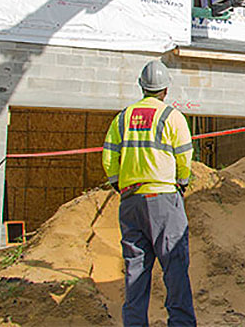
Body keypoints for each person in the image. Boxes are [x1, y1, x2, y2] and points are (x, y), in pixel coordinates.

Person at [102, 60, 196, 327]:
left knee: (135, 270)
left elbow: (109, 157)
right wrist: (182, 182)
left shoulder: (122, 118)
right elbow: (184, 157)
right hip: (164, 199)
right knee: (175, 268)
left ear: (142, 87)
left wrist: (120, 184)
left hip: (131, 201)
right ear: (165, 89)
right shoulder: (172, 117)